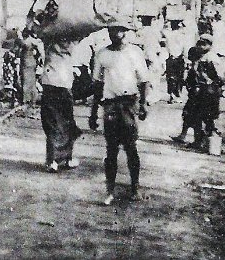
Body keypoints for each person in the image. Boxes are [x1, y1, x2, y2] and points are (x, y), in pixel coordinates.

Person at [89, 19, 148, 205]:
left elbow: (144, 81)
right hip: (110, 105)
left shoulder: (134, 53)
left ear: (125, 32)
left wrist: (144, 105)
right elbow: (97, 84)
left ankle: (135, 187)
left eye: (119, 31)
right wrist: (93, 112)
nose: (115, 35)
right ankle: (110, 190)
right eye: (111, 31)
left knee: (131, 147)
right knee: (111, 149)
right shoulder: (102, 54)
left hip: (129, 103)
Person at [172, 34, 223, 148]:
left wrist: (211, 85)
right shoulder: (199, 56)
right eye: (199, 44)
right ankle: (197, 141)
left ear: (210, 45)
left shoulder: (212, 58)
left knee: (206, 117)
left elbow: (220, 76)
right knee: (192, 115)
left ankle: (207, 142)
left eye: (203, 44)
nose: (200, 46)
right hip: (197, 91)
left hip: (207, 92)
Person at [41, 37, 83, 172]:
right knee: (67, 121)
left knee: (52, 122)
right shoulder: (72, 39)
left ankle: (52, 160)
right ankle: (66, 158)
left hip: (50, 81)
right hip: (64, 82)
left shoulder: (49, 35)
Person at [163, 19, 187, 103]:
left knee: (170, 77)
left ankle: (171, 95)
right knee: (179, 77)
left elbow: (167, 47)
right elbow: (184, 47)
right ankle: (177, 94)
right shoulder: (181, 35)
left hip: (171, 57)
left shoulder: (168, 35)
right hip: (179, 58)